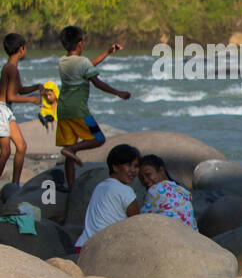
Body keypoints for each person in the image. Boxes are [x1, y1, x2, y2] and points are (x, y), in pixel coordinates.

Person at [57, 25, 128, 189]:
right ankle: (72, 149)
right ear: (80, 44)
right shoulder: (82, 62)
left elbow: (88, 64)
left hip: (63, 109)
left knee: (69, 151)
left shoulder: (63, 61)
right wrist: (118, 93)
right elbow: (97, 83)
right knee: (99, 138)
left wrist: (108, 52)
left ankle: (71, 186)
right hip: (79, 110)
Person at [75, 144, 140, 249]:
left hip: (82, 245)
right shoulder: (126, 191)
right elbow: (137, 222)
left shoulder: (100, 186)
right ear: (115, 167)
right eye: (128, 165)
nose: (133, 170)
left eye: (136, 166)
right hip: (102, 249)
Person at [1, 33, 41, 184]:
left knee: (21, 147)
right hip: (2, 110)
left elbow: (20, 90)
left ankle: (15, 185)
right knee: (5, 152)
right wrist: (33, 99)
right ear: (21, 49)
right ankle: (14, 183)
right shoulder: (11, 68)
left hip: (6, 110)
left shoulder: (11, 67)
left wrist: (37, 87)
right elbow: (11, 96)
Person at [138, 154, 196, 229]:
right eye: (141, 178)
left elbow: (139, 219)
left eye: (148, 174)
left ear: (161, 170)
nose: (145, 180)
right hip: (189, 235)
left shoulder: (155, 190)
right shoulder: (179, 189)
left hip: (170, 234)